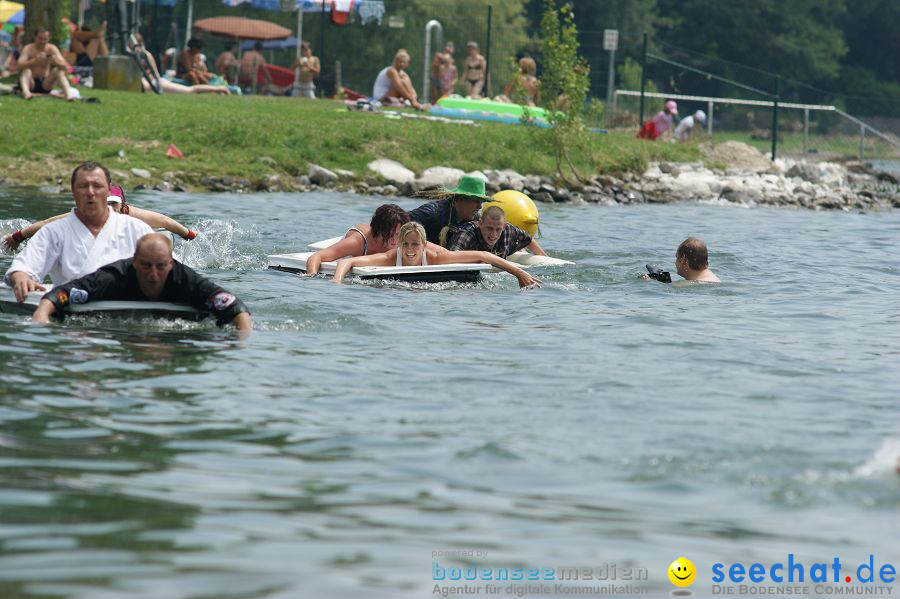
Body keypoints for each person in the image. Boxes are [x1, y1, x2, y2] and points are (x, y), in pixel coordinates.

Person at [32, 233, 252, 331]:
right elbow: (65, 293)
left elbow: (234, 307)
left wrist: (242, 343)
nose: (154, 274)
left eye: (161, 266)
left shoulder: (184, 277)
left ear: (171, 264)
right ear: (134, 262)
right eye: (146, 266)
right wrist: (42, 316)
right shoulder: (114, 276)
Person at [4, 162, 153, 302]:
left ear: (108, 190)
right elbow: (23, 267)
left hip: (125, 311)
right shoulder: (54, 232)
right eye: (83, 186)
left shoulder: (137, 229)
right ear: (73, 191)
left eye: (97, 186)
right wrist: (21, 277)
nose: (90, 193)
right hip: (70, 311)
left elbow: (168, 267)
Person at [332, 222, 541, 289]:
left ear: (423, 245)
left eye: (415, 244)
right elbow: (348, 261)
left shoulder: (434, 257)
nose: (411, 249)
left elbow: (484, 256)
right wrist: (337, 282)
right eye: (406, 244)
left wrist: (519, 273)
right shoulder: (390, 257)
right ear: (400, 244)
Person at [3, 184, 199, 252]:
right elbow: (47, 223)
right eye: (105, 203)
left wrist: (189, 234)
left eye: (113, 204)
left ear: (122, 205)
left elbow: (166, 222)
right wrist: (18, 236)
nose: (109, 209)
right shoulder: (85, 214)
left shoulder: (134, 214)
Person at [305, 203, 418, 276]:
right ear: (378, 230)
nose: (394, 240)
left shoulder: (403, 238)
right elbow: (316, 256)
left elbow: (430, 248)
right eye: (389, 234)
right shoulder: (357, 242)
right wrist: (311, 276)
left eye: (398, 235)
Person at [131, 34, 229, 95]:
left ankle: (215, 89)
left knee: (191, 87)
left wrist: (204, 71)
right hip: (183, 75)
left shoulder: (146, 55)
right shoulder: (185, 54)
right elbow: (189, 69)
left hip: (153, 82)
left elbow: (155, 74)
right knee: (192, 78)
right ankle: (216, 89)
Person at [408, 175, 488, 247]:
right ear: (460, 198)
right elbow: (400, 221)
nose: (480, 207)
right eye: (476, 201)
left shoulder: (475, 220)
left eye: (481, 202)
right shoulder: (432, 213)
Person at [448, 205, 546, 258]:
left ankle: (521, 250)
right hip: (474, 256)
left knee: (519, 246)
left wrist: (545, 258)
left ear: (503, 226)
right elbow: (451, 256)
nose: (493, 235)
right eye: (489, 228)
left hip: (506, 249)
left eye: (498, 229)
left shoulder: (508, 230)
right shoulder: (467, 232)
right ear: (481, 224)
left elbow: (528, 239)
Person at [17, 28, 75, 101]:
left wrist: (54, 61)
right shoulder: (29, 48)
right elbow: (19, 64)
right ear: (35, 38)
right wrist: (34, 61)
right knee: (26, 70)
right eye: (40, 39)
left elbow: (65, 66)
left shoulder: (52, 48)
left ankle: (68, 96)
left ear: (48, 39)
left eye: (45, 39)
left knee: (58, 70)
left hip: (45, 83)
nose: (42, 41)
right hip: (31, 82)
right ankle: (27, 93)